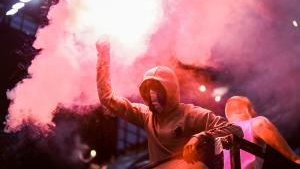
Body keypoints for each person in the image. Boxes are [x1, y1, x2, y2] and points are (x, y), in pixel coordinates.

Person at [96, 42, 243, 168]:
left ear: (171, 90)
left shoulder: (190, 114)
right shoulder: (145, 115)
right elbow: (107, 99)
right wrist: (103, 56)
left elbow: (235, 129)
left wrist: (200, 137)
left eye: (158, 89)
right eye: (147, 90)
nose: (152, 95)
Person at [223, 96, 300, 169]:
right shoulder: (256, 123)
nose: (255, 112)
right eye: (252, 108)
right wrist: (295, 159)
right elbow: (293, 158)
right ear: (247, 110)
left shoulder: (219, 136)